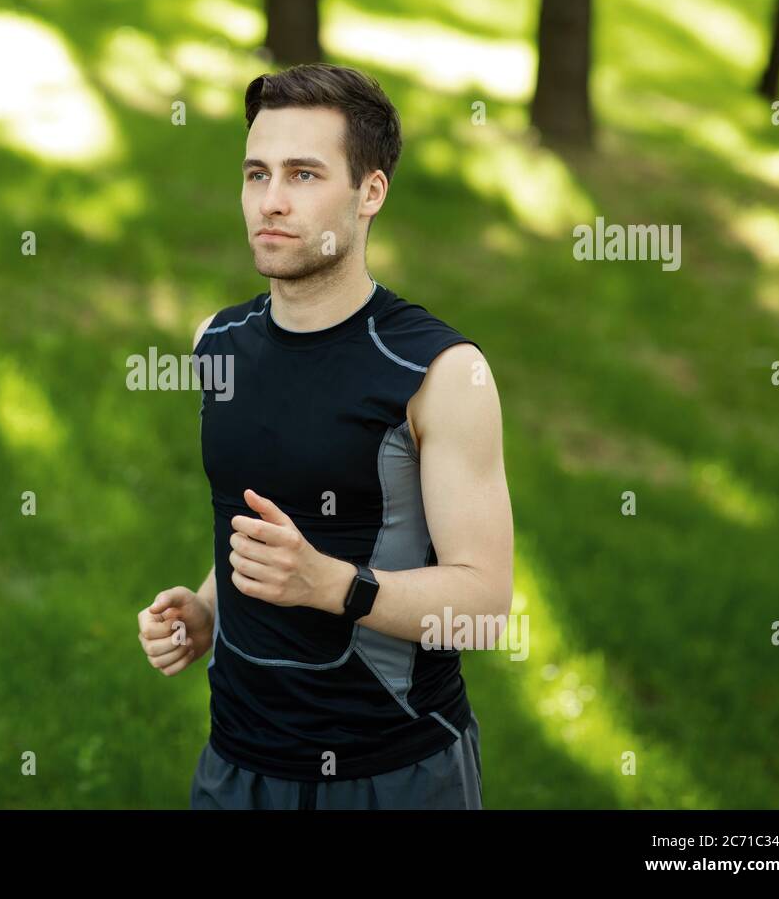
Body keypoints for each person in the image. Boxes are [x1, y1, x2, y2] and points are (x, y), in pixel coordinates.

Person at [136, 63, 514, 809]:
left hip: (396, 770)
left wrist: (331, 585)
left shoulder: (440, 372)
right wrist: (210, 608)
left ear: (370, 191)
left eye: (304, 175)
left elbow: (485, 607)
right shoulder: (217, 343)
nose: (270, 202)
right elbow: (261, 516)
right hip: (236, 766)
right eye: (256, 174)